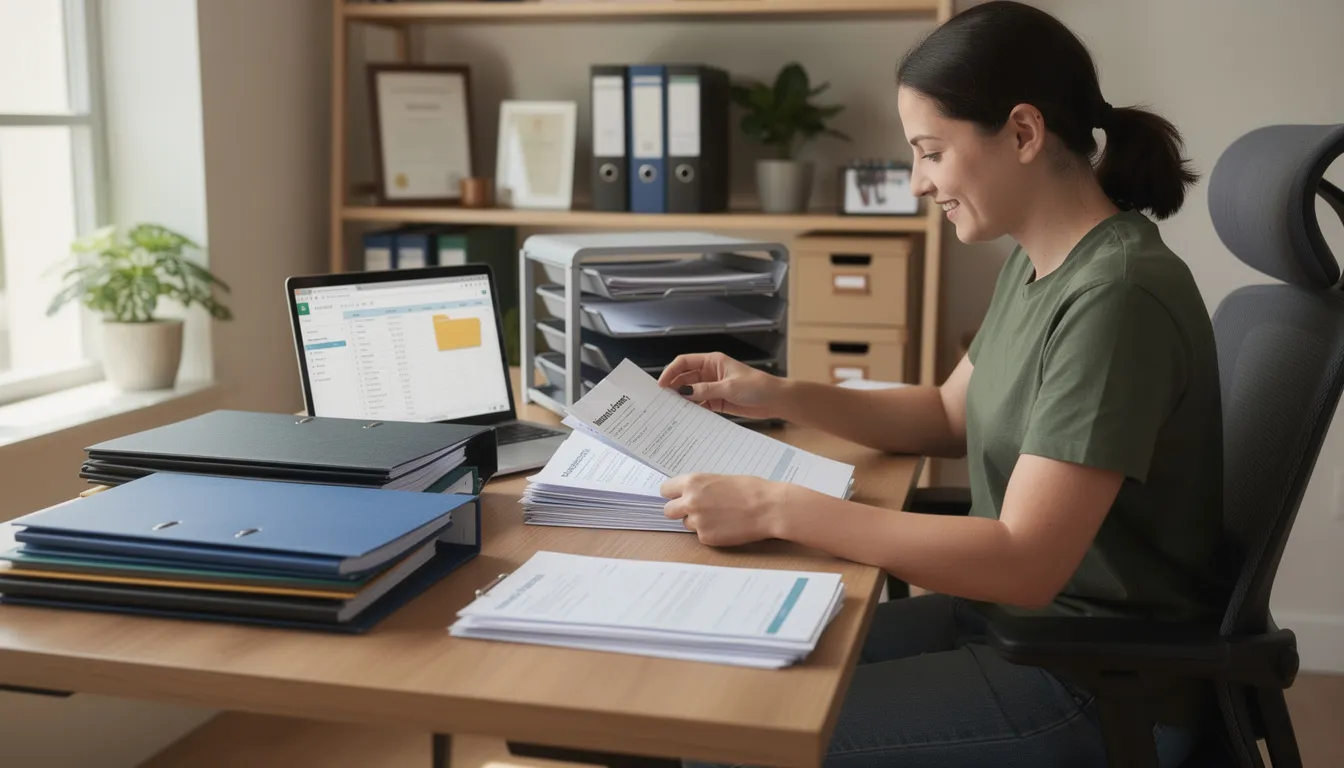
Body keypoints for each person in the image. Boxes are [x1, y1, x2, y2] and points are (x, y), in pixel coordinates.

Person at [661, 3, 1226, 767]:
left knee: (728, 738)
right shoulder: (1042, 264)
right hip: (1006, 626)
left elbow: (1025, 558)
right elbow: (945, 413)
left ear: (1023, 134)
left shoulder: (1116, 297)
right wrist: (777, 392)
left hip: (1094, 681)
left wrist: (777, 506)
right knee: (706, 686)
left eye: (930, 151)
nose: (919, 181)